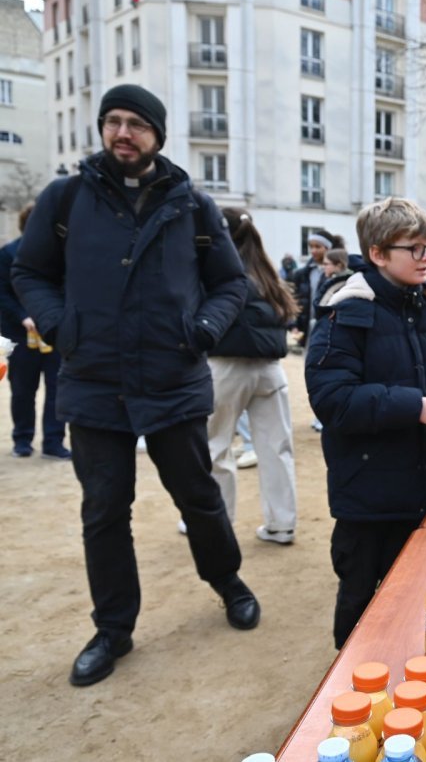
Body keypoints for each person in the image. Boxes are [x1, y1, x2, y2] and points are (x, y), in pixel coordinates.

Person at [12, 84, 261, 687]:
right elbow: (30, 270)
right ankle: (113, 629)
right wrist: (58, 325)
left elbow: (232, 283)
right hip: (95, 381)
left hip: (172, 377)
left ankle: (227, 581)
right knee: (104, 511)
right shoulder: (65, 199)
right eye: (113, 122)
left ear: (157, 135)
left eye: (137, 124)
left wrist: (203, 329)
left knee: (198, 497)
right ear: (102, 130)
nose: (123, 133)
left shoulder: (193, 206)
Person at [305, 197, 426, 648]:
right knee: (361, 596)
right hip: (368, 491)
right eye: (416, 249)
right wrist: (415, 406)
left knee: (417, 593)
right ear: (379, 254)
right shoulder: (346, 312)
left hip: (424, 479)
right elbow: (333, 400)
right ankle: (346, 682)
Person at [206, 208, 301, 545]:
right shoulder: (267, 272)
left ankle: (217, 524)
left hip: (225, 366)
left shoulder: (219, 271)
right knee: (277, 448)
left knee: (216, 447)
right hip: (269, 369)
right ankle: (282, 523)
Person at [0, 202, 69, 459]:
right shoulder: (7, 254)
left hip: (54, 333)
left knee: (58, 390)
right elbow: (3, 294)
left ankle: (53, 442)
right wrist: (23, 317)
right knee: (22, 390)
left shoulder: (60, 256)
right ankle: (22, 440)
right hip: (20, 334)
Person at [290, 229, 339, 347]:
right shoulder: (301, 274)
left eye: (318, 247)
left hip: (330, 328)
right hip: (307, 329)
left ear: (328, 248)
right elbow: (294, 300)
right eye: (311, 246)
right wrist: (293, 324)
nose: (313, 250)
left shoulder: (338, 273)